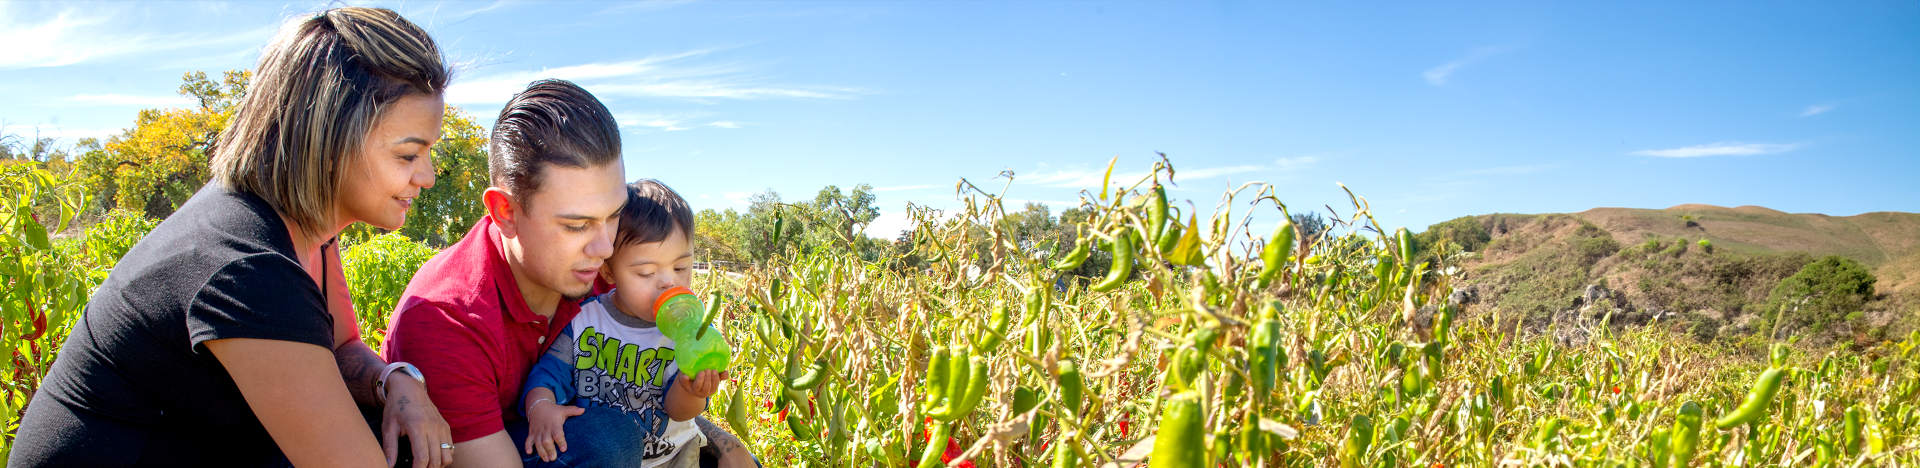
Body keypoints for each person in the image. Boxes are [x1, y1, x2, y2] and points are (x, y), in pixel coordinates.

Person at [11, 7, 455, 467]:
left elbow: (341, 350)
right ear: (327, 142)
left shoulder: (305, 230)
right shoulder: (247, 265)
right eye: (407, 155)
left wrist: (397, 382)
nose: (427, 176)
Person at [382, 80, 755, 468]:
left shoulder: (604, 270)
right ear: (505, 213)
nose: (605, 248)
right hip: (497, 452)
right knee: (607, 438)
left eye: (613, 216)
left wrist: (716, 438)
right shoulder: (447, 318)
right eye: (577, 225)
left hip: (586, 438)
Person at [520, 180, 731, 468]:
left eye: (681, 267)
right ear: (608, 270)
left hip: (671, 458)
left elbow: (679, 412)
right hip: (608, 454)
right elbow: (547, 375)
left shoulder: (688, 335)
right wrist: (540, 407)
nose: (669, 281)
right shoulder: (585, 320)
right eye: (646, 272)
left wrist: (693, 391)